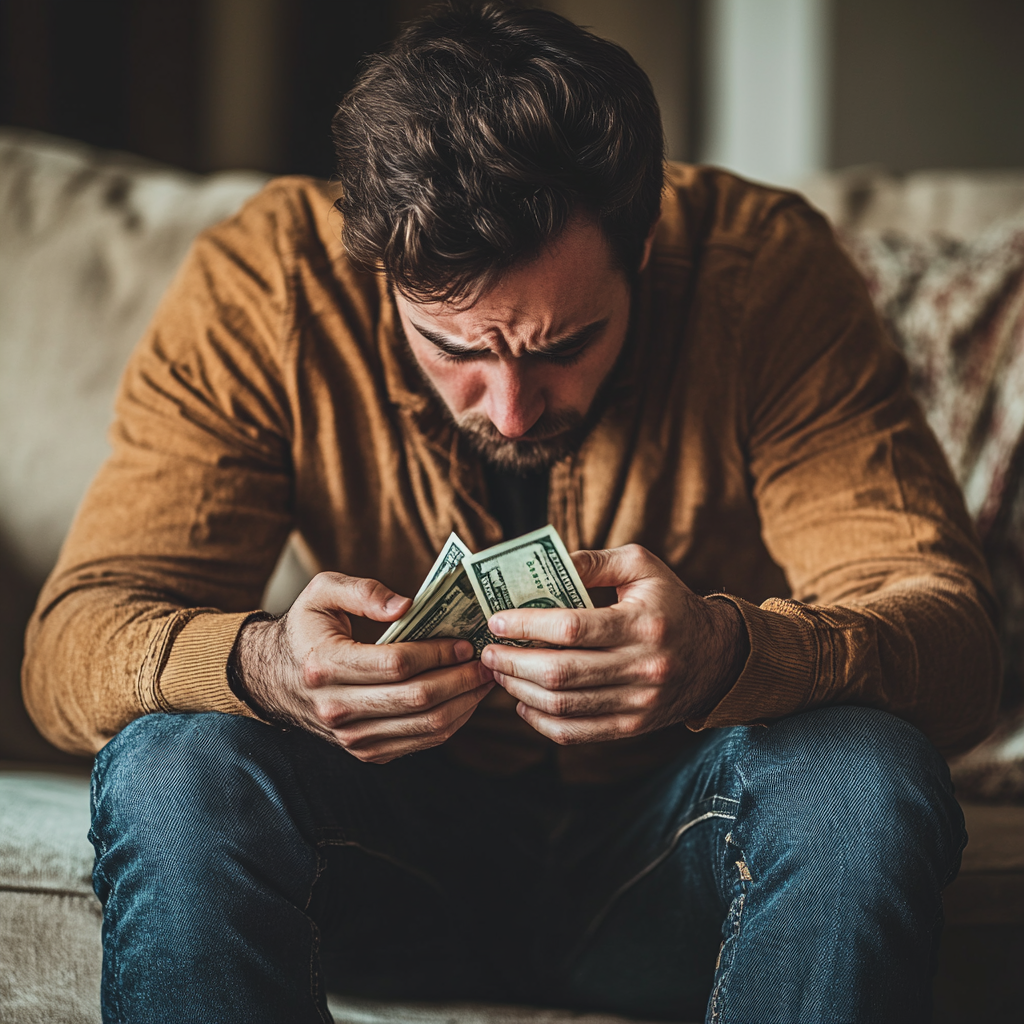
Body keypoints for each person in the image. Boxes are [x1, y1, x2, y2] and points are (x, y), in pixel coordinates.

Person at [24, 3, 999, 1022]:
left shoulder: (764, 273)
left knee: (861, 771)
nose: (510, 405)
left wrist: (722, 651)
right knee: (176, 763)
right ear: (378, 270)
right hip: (388, 853)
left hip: (679, 851)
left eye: (561, 342)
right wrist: (269, 666)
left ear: (645, 242)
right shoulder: (263, 285)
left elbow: (955, 643)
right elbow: (71, 645)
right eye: (453, 349)